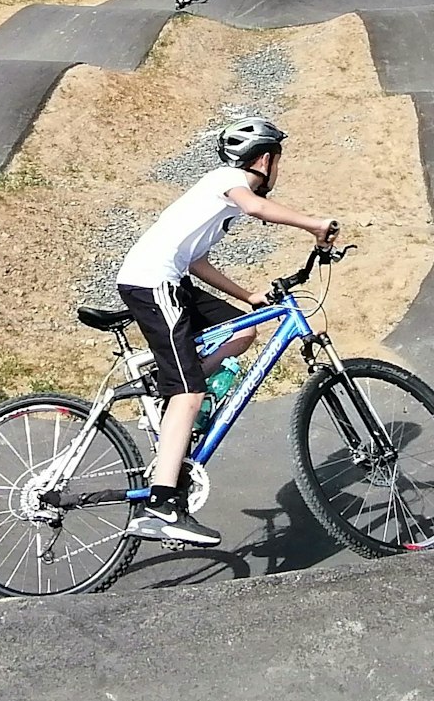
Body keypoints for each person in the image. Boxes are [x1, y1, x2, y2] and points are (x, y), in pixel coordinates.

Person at [114, 119, 337, 546]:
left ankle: (174, 389)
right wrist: (313, 224)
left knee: (241, 333)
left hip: (173, 281)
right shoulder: (227, 181)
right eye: (278, 162)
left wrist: (248, 295)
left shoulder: (219, 205)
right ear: (266, 160)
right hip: (152, 282)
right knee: (188, 391)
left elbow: (196, 262)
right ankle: (161, 506)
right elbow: (256, 208)